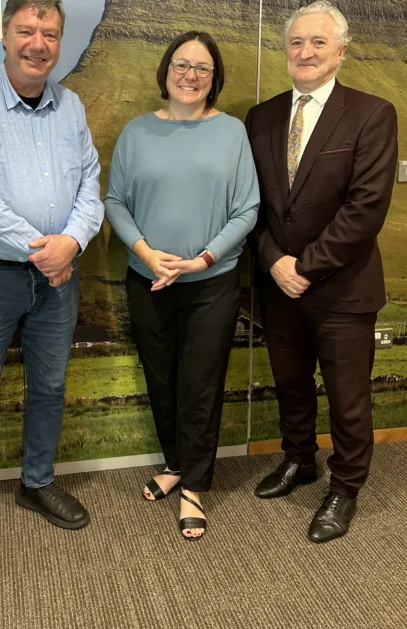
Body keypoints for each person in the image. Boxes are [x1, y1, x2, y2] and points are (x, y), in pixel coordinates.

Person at [0, 0, 104, 573]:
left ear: (60, 42)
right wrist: (46, 252)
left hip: (58, 279)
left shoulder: (73, 107)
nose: (39, 44)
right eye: (28, 31)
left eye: (51, 34)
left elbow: (91, 184)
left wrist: (74, 243)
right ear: (6, 35)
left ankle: (36, 482)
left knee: (51, 389)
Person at [245, 0, 398, 543]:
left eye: (317, 42)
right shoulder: (261, 118)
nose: (305, 52)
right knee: (290, 384)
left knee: (347, 395)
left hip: (342, 289)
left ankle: (346, 487)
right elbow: (252, 206)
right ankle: (298, 460)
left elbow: (365, 208)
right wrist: (273, 262)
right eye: (295, 42)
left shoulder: (372, 113)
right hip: (278, 284)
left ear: (341, 51)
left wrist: (302, 268)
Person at [104, 31, 259, 541]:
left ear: (214, 79)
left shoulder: (232, 132)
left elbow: (247, 208)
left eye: (202, 69)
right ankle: (174, 462)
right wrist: (147, 254)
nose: (190, 75)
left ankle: (193, 484)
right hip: (148, 280)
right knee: (162, 380)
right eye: (182, 64)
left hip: (212, 281)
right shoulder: (136, 132)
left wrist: (202, 259)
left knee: (200, 384)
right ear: (166, 70)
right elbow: (115, 203)